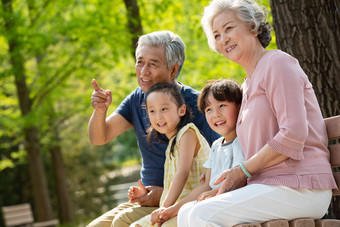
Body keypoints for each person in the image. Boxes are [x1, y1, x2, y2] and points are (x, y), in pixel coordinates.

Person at [177, 0, 338, 226]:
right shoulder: (246, 85)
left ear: (252, 27)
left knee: (200, 214)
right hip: (267, 186)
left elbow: (293, 133)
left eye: (229, 28)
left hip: (301, 186)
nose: (223, 39)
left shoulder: (277, 63)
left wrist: (241, 171)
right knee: (187, 211)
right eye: (216, 35)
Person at [87, 30, 220, 227]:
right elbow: (99, 137)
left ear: (173, 70)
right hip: (148, 201)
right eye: (140, 62)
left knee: (121, 224)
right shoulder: (137, 98)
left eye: (153, 64)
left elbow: (219, 160)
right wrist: (100, 111)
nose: (143, 71)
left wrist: (164, 194)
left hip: (184, 200)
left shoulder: (199, 104)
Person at [129, 83, 210, 227]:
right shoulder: (172, 142)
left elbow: (182, 173)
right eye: (152, 111)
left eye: (164, 109)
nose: (158, 116)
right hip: (175, 208)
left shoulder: (187, 133)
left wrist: (164, 208)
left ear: (181, 110)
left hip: (192, 205)